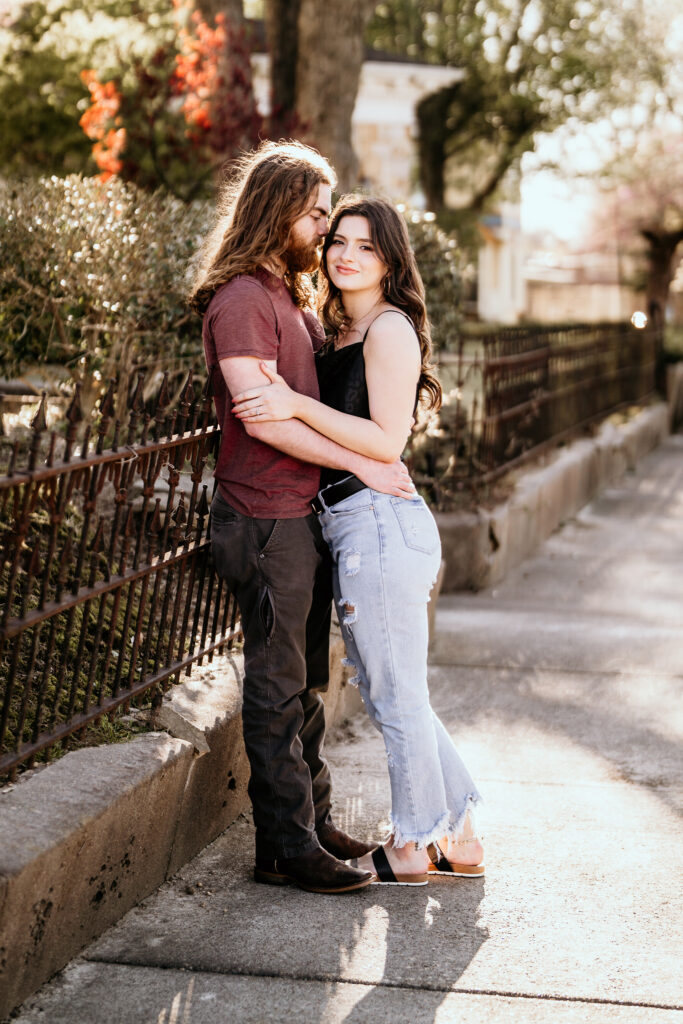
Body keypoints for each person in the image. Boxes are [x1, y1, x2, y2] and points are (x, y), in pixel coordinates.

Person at [232, 195, 484, 885]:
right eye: (336, 240)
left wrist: (291, 402)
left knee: (393, 695)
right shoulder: (337, 330)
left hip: (380, 524)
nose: (344, 253)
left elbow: (385, 439)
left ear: (390, 258)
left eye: (365, 246)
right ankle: (458, 836)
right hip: (355, 522)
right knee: (392, 688)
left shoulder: (389, 330)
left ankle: (409, 845)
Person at [189, 143, 416, 895]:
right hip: (261, 517)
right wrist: (362, 461)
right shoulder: (243, 301)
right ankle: (284, 845)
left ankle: (312, 820)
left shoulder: (282, 293)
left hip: (298, 514)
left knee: (303, 684)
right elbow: (261, 418)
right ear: (275, 208)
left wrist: (356, 459)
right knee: (276, 682)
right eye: (316, 210)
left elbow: (302, 406)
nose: (324, 225)